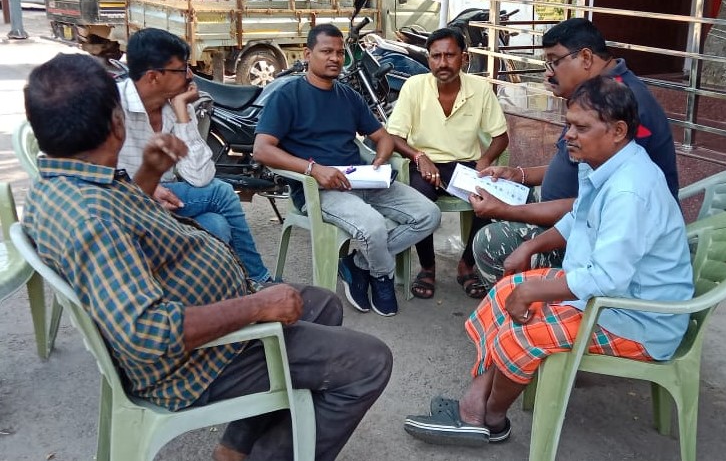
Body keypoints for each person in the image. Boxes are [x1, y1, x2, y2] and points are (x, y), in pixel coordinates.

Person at [22, 53, 393, 461]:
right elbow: (149, 334)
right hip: (199, 362)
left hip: (200, 318)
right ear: (116, 124)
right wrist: (257, 305)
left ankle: (235, 447)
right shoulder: (90, 218)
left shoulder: (61, 181)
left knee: (321, 304)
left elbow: (129, 226)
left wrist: (147, 174)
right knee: (370, 362)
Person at [403, 76, 693, 446]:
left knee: (523, 330)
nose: (569, 135)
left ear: (618, 131)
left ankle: (491, 419)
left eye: (581, 127)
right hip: (606, 297)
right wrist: (530, 248)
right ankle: (474, 405)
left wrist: (536, 289)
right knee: (506, 292)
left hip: (637, 318)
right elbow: (578, 219)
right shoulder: (604, 165)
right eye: (568, 124)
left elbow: (607, 277)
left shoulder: (628, 190)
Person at [471, 17, 680, 287]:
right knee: (490, 192)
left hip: (608, 237)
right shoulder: (593, 98)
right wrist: (518, 174)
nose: (549, 73)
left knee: (492, 242)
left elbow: (596, 207)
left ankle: (520, 303)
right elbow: (576, 184)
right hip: (578, 215)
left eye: (554, 61)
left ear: (584, 57)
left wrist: (509, 211)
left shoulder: (621, 106)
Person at [253, 23, 441, 317]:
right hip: (319, 189)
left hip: (362, 179)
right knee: (374, 226)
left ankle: (359, 265)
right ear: (307, 53)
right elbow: (262, 149)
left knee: (429, 215)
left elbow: (382, 137)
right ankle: (383, 276)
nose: (335, 58)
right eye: (326, 51)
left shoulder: (348, 95)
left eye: (340, 53)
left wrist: (380, 158)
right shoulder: (288, 95)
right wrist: (314, 170)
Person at [117, 28, 274, 284]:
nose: (190, 75)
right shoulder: (112, 105)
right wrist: (146, 188)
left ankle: (216, 293)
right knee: (221, 192)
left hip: (166, 202)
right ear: (153, 77)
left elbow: (201, 177)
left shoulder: (176, 104)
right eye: (182, 69)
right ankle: (260, 279)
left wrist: (181, 112)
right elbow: (88, 172)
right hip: (123, 204)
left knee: (216, 226)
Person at [387, 27, 509, 299]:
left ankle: (467, 265)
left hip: (465, 165)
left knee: (490, 199)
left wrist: (485, 160)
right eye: (436, 56)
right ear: (428, 59)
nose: (443, 63)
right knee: (420, 202)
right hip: (425, 163)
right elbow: (393, 135)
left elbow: (501, 137)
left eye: (450, 55)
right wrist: (419, 157)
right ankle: (427, 267)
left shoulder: (479, 89)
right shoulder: (414, 86)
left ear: (464, 58)